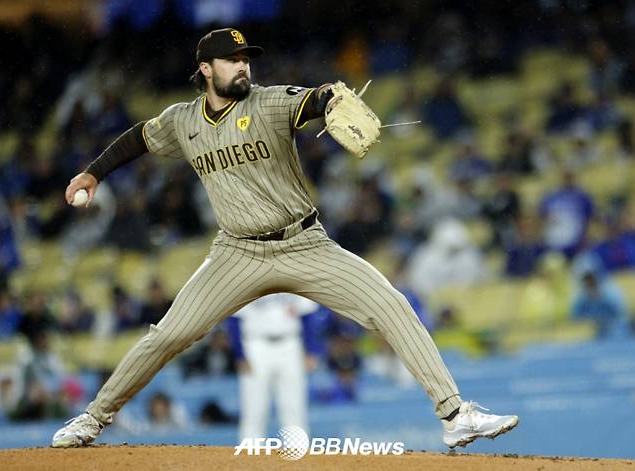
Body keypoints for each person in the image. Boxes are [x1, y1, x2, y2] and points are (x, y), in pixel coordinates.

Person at [51, 28, 517, 450]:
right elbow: (138, 138)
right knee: (169, 334)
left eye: (245, 58)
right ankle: (93, 418)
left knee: (391, 304)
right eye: (232, 60)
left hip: (304, 244)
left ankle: (455, 415)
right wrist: (93, 174)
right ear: (206, 69)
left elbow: (313, 98)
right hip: (238, 252)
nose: (242, 66)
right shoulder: (183, 121)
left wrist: (332, 99)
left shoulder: (268, 102)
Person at [227, 293, 320, 440]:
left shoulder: (296, 275)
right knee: (254, 406)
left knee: (294, 406)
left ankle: (297, 453)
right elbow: (234, 318)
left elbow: (307, 314)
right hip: (255, 344)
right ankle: (250, 456)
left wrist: (310, 350)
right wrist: (239, 354)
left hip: (291, 342)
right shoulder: (247, 276)